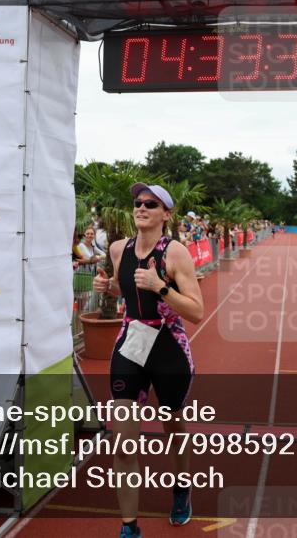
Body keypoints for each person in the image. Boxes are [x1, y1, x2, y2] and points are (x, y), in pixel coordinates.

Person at [93, 183, 204, 538]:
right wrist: (107, 287)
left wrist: (160, 287)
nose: (141, 208)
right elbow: (123, 286)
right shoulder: (117, 249)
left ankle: (182, 488)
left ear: (166, 214)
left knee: (173, 426)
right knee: (124, 443)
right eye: (138, 203)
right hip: (131, 346)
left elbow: (198, 311)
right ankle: (129, 528)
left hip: (168, 346)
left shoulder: (175, 253)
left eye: (150, 204)